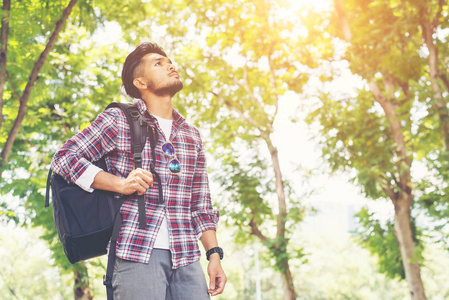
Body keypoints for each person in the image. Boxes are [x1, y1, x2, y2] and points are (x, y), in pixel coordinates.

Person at [51, 42, 226, 299]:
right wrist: (119, 183)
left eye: (168, 61)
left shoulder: (191, 136)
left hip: (187, 257)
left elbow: (200, 205)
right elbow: (64, 158)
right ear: (141, 82)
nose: (169, 65)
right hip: (137, 252)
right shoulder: (119, 120)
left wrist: (214, 255)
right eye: (158, 62)